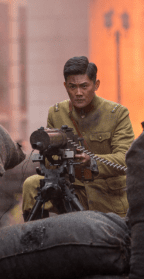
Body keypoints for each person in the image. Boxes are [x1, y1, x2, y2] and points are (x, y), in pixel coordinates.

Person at [22, 56, 135, 220]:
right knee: (32, 184)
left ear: (96, 85)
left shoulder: (117, 114)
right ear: (65, 86)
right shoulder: (56, 113)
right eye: (72, 87)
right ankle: (36, 238)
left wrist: (91, 160)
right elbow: (49, 164)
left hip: (105, 196)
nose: (78, 93)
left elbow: (125, 159)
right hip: (70, 191)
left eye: (84, 86)